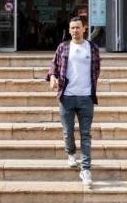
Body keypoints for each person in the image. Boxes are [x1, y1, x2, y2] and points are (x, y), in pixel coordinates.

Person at [46, 17, 101, 188]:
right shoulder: (63, 47)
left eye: (78, 27)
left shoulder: (92, 48)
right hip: (67, 97)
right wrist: (53, 77)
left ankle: (85, 169)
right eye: (72, 28)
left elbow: (96, 70)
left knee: (86, 135)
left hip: (86, 98)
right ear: (69, 30)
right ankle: (70, 153)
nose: (75, 30)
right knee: (68, 132)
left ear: (84, 29)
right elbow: (53, 66)